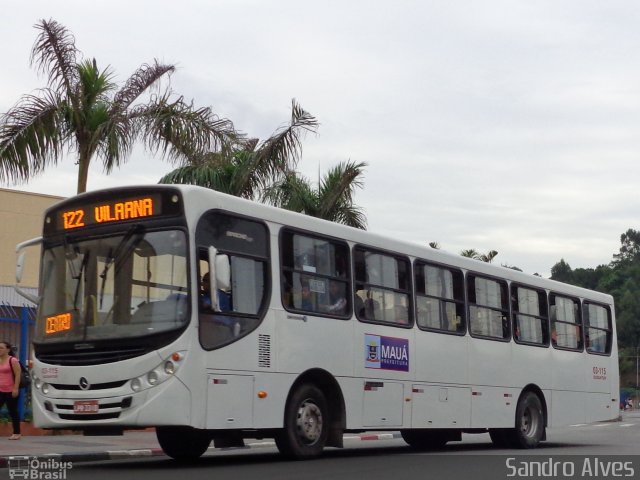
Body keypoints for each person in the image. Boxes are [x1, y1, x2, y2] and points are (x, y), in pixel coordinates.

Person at [0, 341, 22, 440]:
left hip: (11, 390)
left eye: (1, 348)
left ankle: (17, 433)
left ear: (8, 349)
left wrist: (15, 388)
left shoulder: (12, 360)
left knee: (12, 411)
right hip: (0, 390)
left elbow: (18, 374)